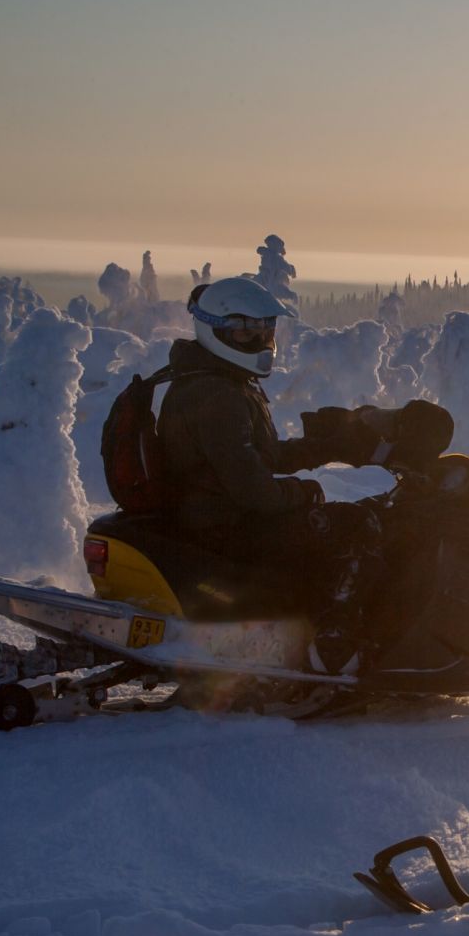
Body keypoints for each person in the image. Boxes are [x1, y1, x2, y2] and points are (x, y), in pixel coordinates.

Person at [158, 277, 390, 675]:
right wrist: (304, 492)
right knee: (355, 524)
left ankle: (305, 627)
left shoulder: (221, 382)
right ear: (215, 329)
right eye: (246, 330)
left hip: (218, 513)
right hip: (224, 522)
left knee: (330, 521)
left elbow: (255, 457)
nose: (260, 340)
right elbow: (254, 490)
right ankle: (333, 645)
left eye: (265, 330)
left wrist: (325, 447)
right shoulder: (216, 394)